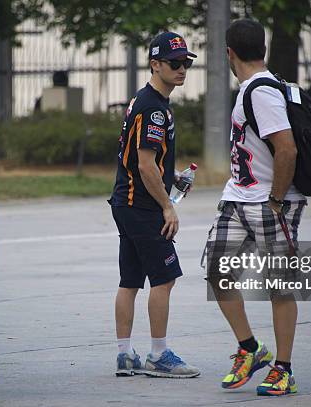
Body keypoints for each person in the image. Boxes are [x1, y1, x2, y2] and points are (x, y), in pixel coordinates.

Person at [206, 19, 307, 396]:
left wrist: (277, 201)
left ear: (229, 53)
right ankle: (250, 349)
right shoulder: (252, 89)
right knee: (218, 274)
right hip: (238, 199)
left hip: (270, 203)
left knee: (279, 287)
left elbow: (287, 148)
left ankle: (284, 369)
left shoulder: (262, 92)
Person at [108, 32, 200, 378]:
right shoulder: (154, 109)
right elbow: (145, 165)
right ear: (155, 64)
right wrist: (167, 205)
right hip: (142, 206)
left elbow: (142, 159)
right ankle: (158, 355)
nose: (182, 70)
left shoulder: (143, 101)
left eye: (186, 63)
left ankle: (124, 355)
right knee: (165, 279)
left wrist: (172, 176)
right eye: (174, 63)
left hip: (126, 201)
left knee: (130, 280)